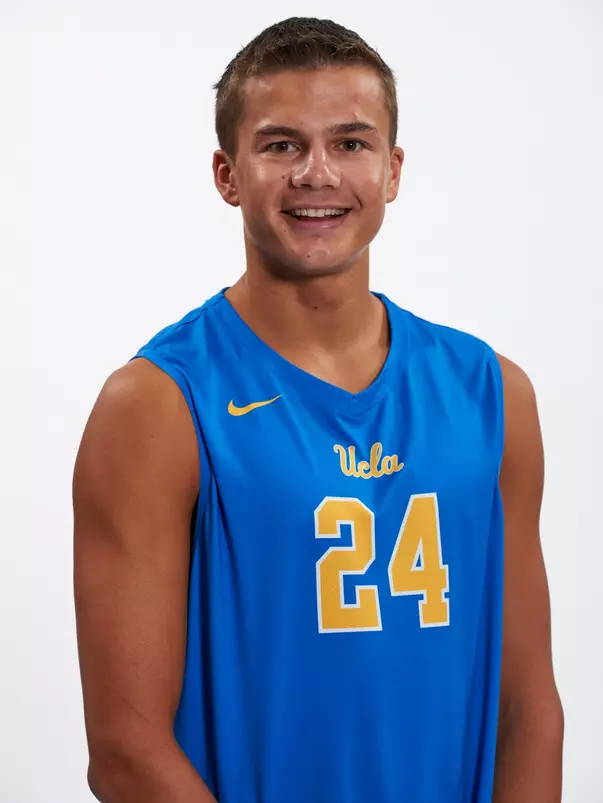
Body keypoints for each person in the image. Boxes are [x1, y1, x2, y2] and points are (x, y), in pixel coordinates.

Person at [73, 16, 564, 803]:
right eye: (279, 145)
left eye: (350, 142)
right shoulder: (158, 404)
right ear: (226, 174)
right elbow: (126, 750)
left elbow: (528, 707)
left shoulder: (492, 392)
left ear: (392, 169)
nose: (316, 173)